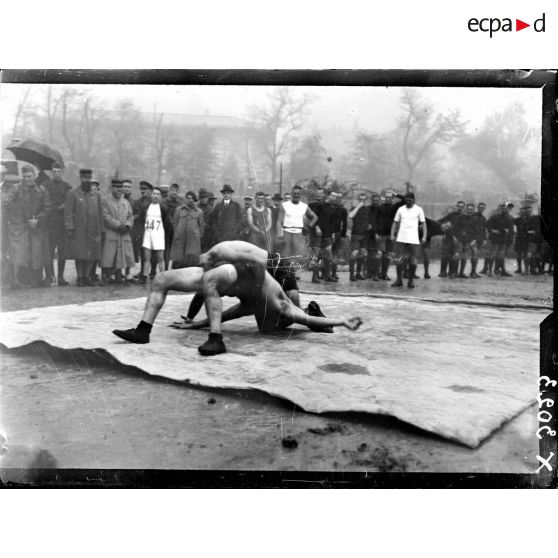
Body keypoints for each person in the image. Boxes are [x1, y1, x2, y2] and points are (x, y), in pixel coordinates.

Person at [112, 240, 363, 355]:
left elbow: (294, 311)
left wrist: (341, 322)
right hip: (239, 271)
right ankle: (142, 330)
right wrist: (194, 322)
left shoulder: (274, 294)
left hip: (254, 270)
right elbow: (225, 311)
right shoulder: (244, 298)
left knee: (290, 318)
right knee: (161, 279)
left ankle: (216, 340)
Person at [5, 165, 51, 288]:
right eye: (24, 176)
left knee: (37, 253)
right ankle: (17, 280)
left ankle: (37, 279)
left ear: (34, 176)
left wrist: (38, 220)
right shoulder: (15, 189)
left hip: (36, 228)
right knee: (19, 253)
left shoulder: (42, 190)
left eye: (29, 176)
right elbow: (7, 206)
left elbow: (47, 209)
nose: (26, 179)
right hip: (20, 228)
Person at [65, 169, 103, 287]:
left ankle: (87, 276)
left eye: (89, 178)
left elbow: (100, 212)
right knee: (80, 254)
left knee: (92, 254)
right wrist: (70, 227)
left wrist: (101, 228)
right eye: (84, 178)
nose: (87, 180)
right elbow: (68, 211)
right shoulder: (73, 193)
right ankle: (80, 277)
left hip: (93, 228)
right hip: (79, 229)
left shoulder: (96, 195)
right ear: (80, 178)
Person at [41, 162, 72, 286]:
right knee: (48, 251)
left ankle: (61, 277)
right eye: (54, 171)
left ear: (62, 172)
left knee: (62, 252)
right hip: (49, 223)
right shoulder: (45, 185)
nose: (57, 174)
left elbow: (71, 203)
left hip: (62, 224)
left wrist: (66, 205)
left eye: (59, 171)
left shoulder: (67, 187)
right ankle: (49, 277)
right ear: (51, 172)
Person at [100, 178, 135, 285]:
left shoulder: (125, 202)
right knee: (110, 254)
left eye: (120, 187)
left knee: (123, 254)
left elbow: (130, 216)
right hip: (112, 232)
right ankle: (107, 276)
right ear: (112, 188)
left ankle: (119, 276)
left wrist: (128, 225)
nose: (119, 190)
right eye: (116, 187)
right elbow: (105, 216)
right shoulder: (105, 201)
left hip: (124, 233)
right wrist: (118, 225)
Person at [136, 186, 173, 284]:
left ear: (160, 196)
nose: (155, 196)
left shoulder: (163, 208)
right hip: (148, 233)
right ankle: (144, 276)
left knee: (160, 257)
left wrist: (165, 235)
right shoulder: (146, 206)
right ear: (151, 195)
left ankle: (163, 277)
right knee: (146, 256)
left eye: (158, 194)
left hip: (159, 234)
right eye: (154, 193)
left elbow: (167, 223)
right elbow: (140, 219)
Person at [390, 192, 426, 288]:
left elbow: (423, 223)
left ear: (413, 200)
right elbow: (395, 222)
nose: (408, 202)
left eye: (410, 200)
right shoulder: (401, 209)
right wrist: (392, 234)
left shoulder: (419, 210)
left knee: (413, 260)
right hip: (401, 238)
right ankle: (399, 280)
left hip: (413, 239)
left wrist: (424, 236)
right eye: (406, 200)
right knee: (399, 259)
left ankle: (410, 280)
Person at [277, 185, 318, 265]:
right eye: (294, 193)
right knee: (286, 256)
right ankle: (285, 275)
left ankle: (294, 275)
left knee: (298, 256)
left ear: (301, 195)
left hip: (298, 233)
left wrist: (309, 226)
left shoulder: (304, 206)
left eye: (298, 194)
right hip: (286, 232)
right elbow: (279, 221)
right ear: (291, 194)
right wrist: (279, 234)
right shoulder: (285, 205)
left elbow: (315, 217)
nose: (296, 195)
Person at [170, 190, 205, 269]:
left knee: (192, 258)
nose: (190, 200)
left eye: (192, 198)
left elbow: (201, 225)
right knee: (178, 257)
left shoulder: (199, 212)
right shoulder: (179, 209)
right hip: (180, 238)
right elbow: (175, 222)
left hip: (193, 240)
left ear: (194, 200)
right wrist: (176, 233)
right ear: (185, 199)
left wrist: (199, 237)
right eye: (188, 198)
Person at [308, 186, 335, 283]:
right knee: (316, 255)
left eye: (321, 193)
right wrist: (316, 226)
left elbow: (330, 220)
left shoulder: (327, 206)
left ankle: (327, 275)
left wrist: (332, 233)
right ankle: (314, 276)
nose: (319, 195)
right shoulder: (311, 205)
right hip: (316, 233)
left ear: (324, 194)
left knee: (327, 255)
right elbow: (310, 218)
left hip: (326, 234)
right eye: (317, 193)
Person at [485, 202, 515, 277]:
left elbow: (510, 229)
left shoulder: (509, 218)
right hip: (495, 239)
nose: (505, 210)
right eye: (504, 209)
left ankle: (497, 270)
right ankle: (490, 271)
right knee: (493, 254)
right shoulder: (495, 217)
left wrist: (510, 237)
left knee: (501, 255)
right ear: (501, 209)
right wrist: (492, 231)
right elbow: (487, 225)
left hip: (504, 239)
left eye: (507, 209)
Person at [348, 192, 370, 282]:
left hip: (364, 235)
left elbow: (368, 220)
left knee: (362, 254)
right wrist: (358, 206)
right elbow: (350, 215)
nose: (362, 201)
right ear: (358, 199)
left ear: (366, 200)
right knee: (354, 253)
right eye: (360, 199)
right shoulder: (354, 208)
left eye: (363, 199)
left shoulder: (367, 209)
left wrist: (369, 225)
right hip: (356, 234)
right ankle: (351, 275)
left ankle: (358, 274)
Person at [454, 203, 480, 278]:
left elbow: (476, 232)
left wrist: (474, 240)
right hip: (459, 239)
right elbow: (455, 229)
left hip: (469, 241)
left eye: (471, 210)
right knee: (457, 255)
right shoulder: (460, 218)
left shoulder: (474, 219)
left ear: (473, 210)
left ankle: (463, 273)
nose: (469, 211)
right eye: (468, 209)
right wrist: (455, 237)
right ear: (466, 209)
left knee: (467, 255)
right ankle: (454, 272)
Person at [329, 191, 348, 281]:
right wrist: (343, 235)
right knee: (334, 254)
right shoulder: (342, 209)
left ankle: (329, 273)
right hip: (336, 233)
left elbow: (344, 223)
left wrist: (343, 235)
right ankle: (332, 273)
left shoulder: (330, 207)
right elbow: (344, 223)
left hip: (332, 233)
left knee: (330, 254)